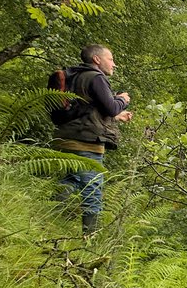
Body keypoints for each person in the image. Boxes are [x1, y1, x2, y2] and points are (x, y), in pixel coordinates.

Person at [52, 44, 133, 234]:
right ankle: (91, 241)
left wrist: (117, 116)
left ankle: (50, 224)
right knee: (92, 191)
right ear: (97, 59)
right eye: (111, 59)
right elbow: (111, 107)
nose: (114, 64)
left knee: (69, 181)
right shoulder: (96, 77)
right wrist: (122, 100)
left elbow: (87, 109)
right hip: (86, 144)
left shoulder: (76, 77)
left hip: (66, 138)